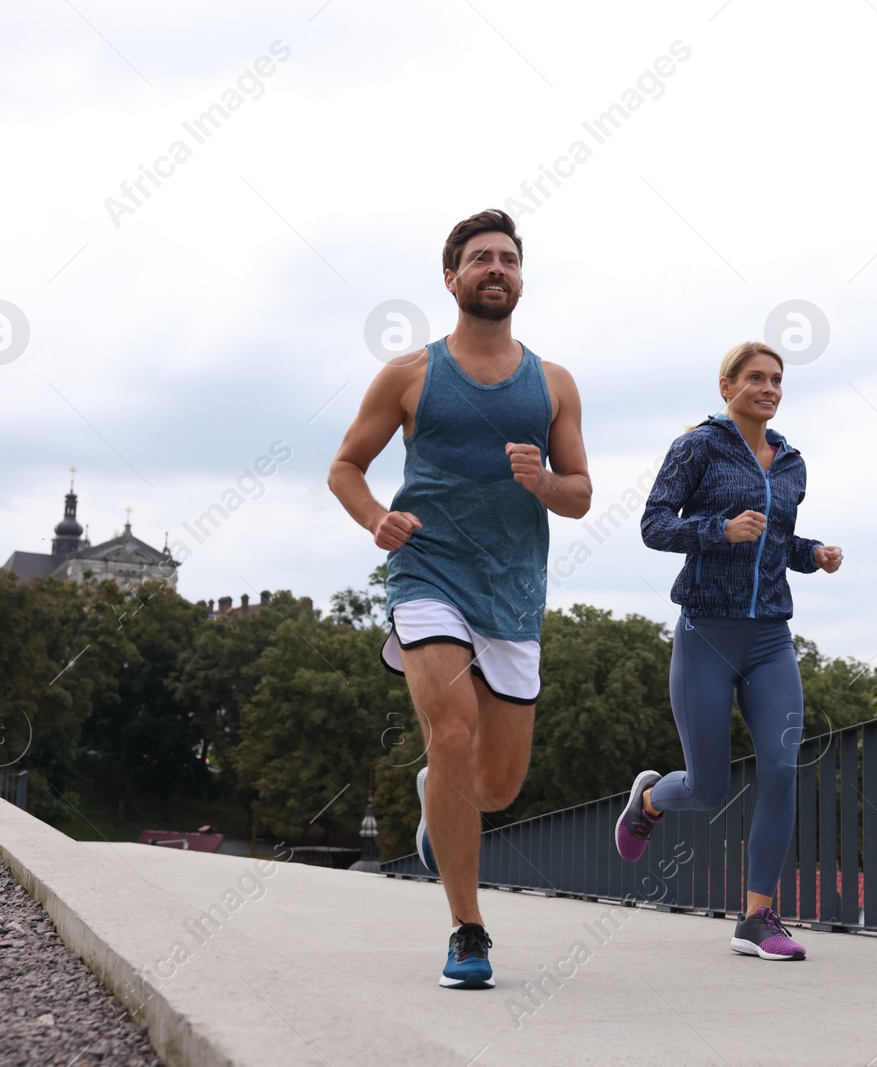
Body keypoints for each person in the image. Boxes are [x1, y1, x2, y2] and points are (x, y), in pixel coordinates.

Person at [328, 209, 591, 989]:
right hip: (427, 574)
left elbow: (579, 494)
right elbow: (346, 465)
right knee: (452, 729)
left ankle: (434, 796)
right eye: (480, 258)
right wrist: (379, 519)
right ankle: (467, 929)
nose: (496, 269)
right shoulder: (410, 374)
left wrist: (543, 481)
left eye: (508, 258)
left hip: (511, 591)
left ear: (520, 277)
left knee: (497, 784)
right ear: (452, 278)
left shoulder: (552, 383)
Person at [615, 340, 842, 961]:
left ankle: (757, 918)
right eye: (755, 378)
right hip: (706, 633)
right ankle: (651, 799)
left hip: (770, 637)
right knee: (710, 788)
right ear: (727, 385)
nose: (767, 389)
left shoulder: (790, 461)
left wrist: (814, 554)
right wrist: (717, 529)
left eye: (776, 380)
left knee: (780, 770)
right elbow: (654, 524)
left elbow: (781, 542)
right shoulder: (697, 446)